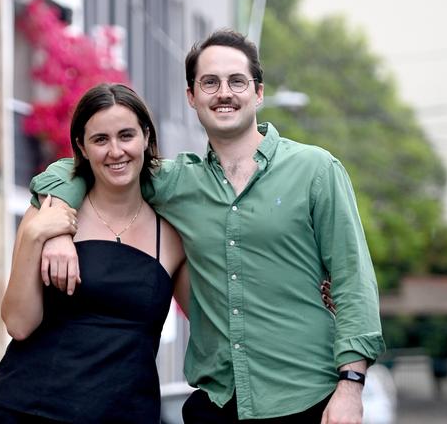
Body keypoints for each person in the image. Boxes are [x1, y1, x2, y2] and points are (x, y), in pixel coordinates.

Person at [30, 29, 386, 423]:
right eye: (210, 82)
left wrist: (351, 386)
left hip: (308, 399)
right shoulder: (176, 182)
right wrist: (57, 228)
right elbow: (81, 166)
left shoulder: (315, 170)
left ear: (259, 92)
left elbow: (354, 282)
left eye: (237, 81)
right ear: (192, 96)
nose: (224, 93)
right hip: (216, 405)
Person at [0, 83, 189, 423]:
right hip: (28, 410)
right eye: (100, 139)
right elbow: (18, 323)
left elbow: (210, 320)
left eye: (126, 135)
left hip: (126, 415)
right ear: (82, 147)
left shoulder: (175, 235)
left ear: (146, 137)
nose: (116, 151)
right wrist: (36, 234)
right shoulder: (49, 213)